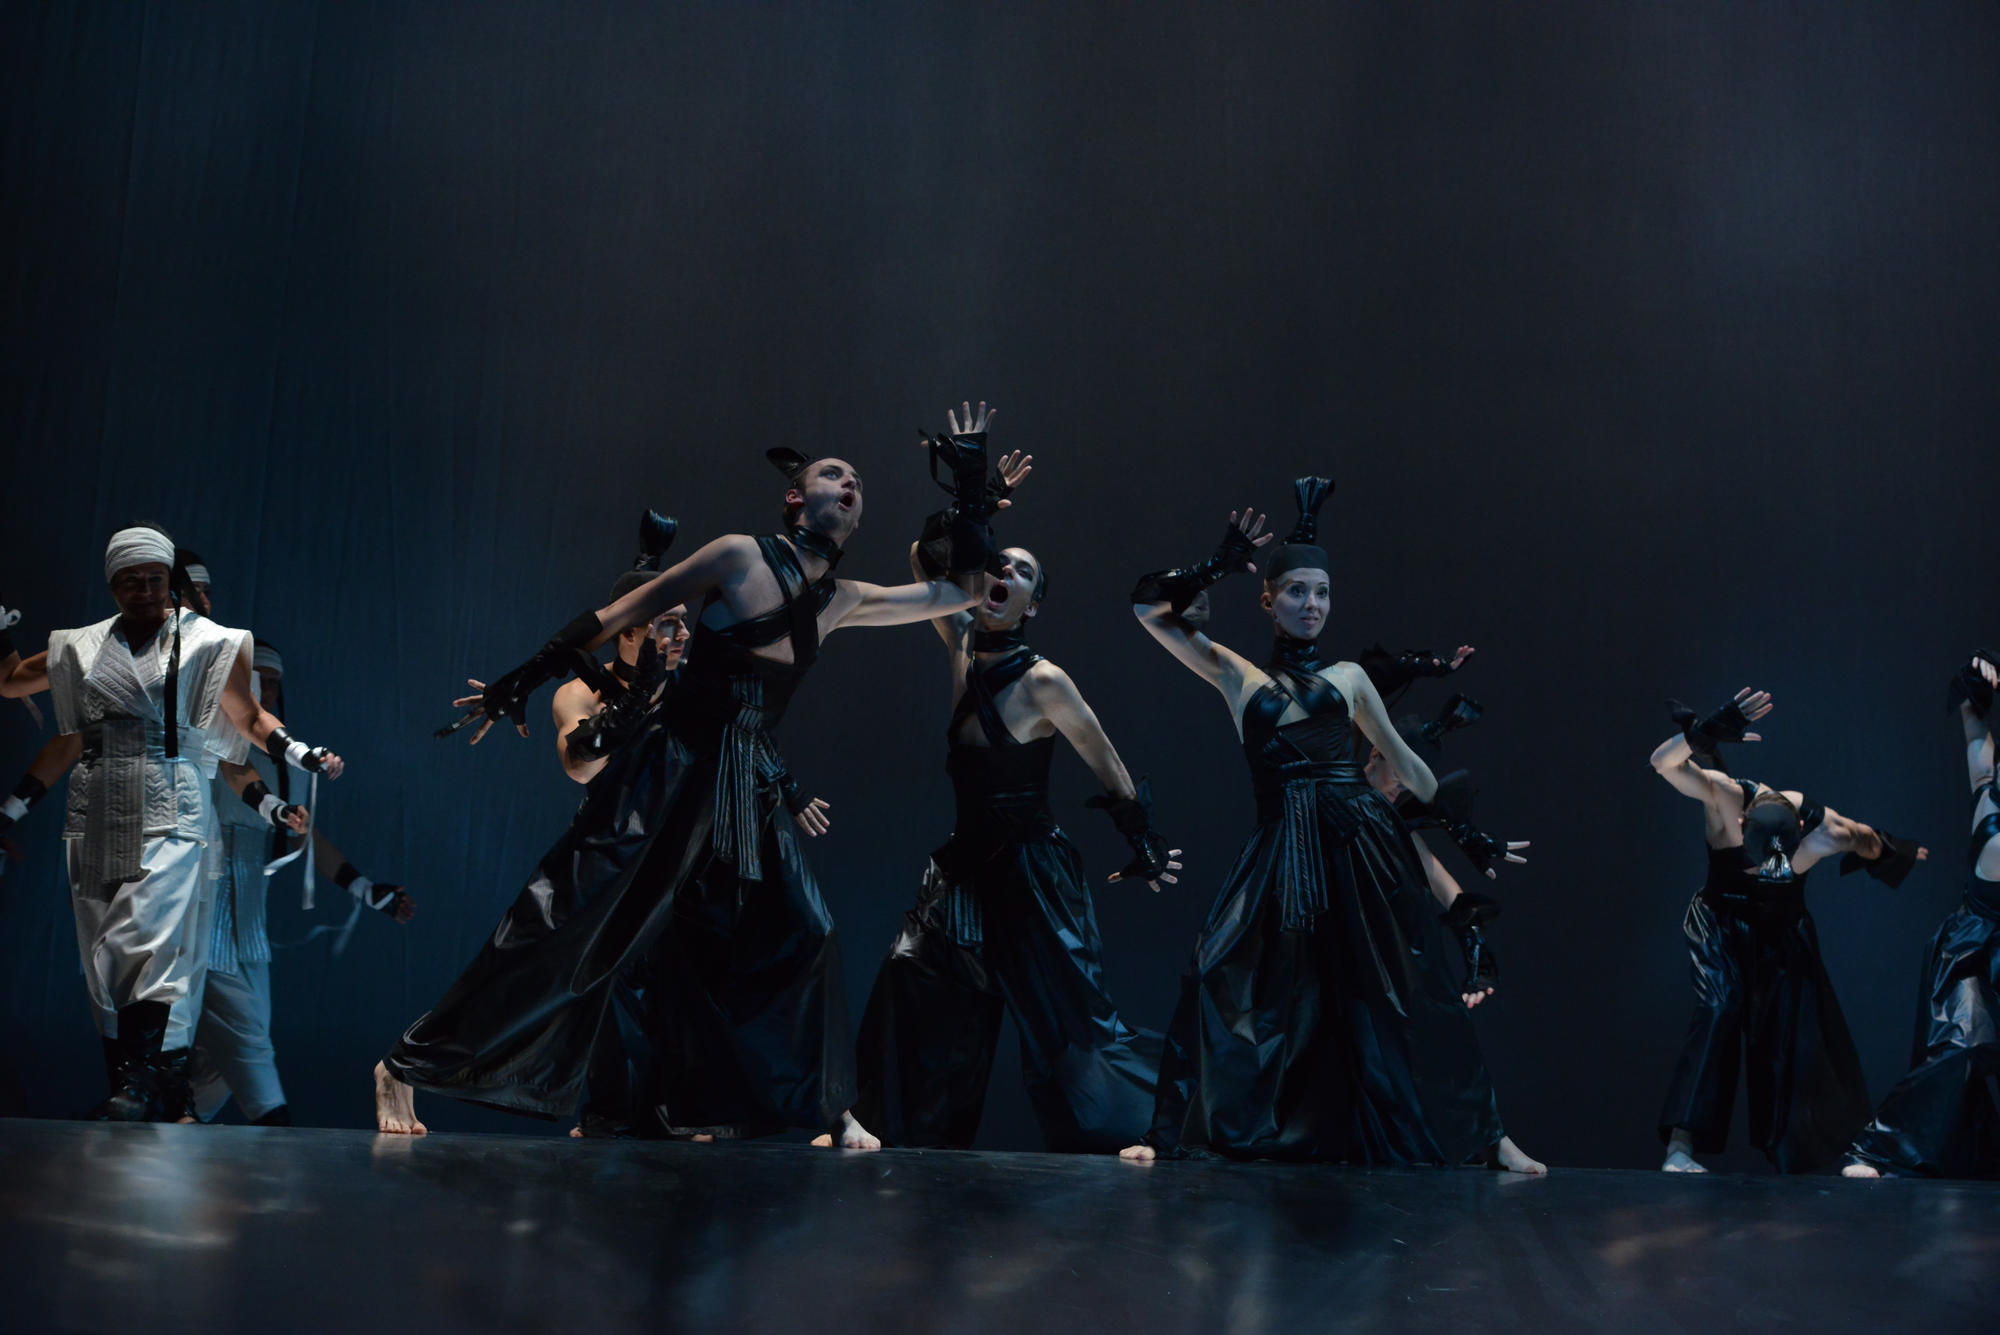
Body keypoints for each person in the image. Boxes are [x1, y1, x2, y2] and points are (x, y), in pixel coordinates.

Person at [378, 406, 1027, 1149]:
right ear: (795, 496)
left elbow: (962, 593)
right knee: (567, 920)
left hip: (743, 784)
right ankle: (405, 1063)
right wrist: (518, 680)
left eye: (858, 480)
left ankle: (825, 1108)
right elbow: (618, 612)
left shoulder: (844, 600)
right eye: (833, 473)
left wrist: (972, 491)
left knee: (805, 932)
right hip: (671, 764)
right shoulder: (739, 556)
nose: (850, 482)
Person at [1119, 480, 1541, 1171]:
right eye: (1296, 592)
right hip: (1282, 850)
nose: (1312, 604)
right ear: (1268, 601)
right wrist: (1214, 566)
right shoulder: (1238, 676)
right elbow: (1148, 608)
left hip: (1359, 843)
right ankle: (1166, 1135)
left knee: (1413, 989)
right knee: (1215, 974)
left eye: (1322, 593)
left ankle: (1490, 1137)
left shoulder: (1349, 678)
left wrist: (1464, 831)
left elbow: (1408, 768)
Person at [0, 524, 344, 1121]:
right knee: (103, 953)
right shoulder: (81, 645)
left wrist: (299, 753)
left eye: (155, 580)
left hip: (171, 801)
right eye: (130, 581)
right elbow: (13, 684)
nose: (144, 591)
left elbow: (247, 717)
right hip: (97, 803)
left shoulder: (206, 642)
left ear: (170, 582)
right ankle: (139, 1085)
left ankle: (146, 1083)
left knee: (149, 937)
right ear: (112, 585)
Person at [851, 528, 1174, 1152]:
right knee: (909, 970)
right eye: (998, 564)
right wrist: (977, 503)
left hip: (1031, 869)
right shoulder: (960, 643)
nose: (1006, 573)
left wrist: (1144, 841)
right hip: (964, 865)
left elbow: (1107, 763)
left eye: (1023, 572)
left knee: (1071, 1020)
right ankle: (886, 1126)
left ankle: (1155, 1127)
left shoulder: (1046, 680)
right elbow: (920, 555)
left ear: (1032, 606)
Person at [1650, 688, 1926, 1173]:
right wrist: (1701, 734)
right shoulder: (1724, 796)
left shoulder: (1827, 831)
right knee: (1718, 1009)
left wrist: (1892, 850)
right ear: (1741, 822)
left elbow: (1863, 839)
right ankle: (1680, 1146)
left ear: (1800, 829)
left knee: (1797, 1033)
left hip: (1780, 928)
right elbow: (1662, 764)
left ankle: (1823, 1156)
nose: (1768, 868)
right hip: (1719, 919)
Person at [1844, 651, 2000, 1178]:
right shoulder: (1991, 807)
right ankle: (1875, 1148)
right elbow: (1976, 736)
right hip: (1970, 950)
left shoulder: (1989, 791)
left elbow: (1976, 732)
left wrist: (1976, 696)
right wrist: (1975, 683)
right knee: (1961, 1044)